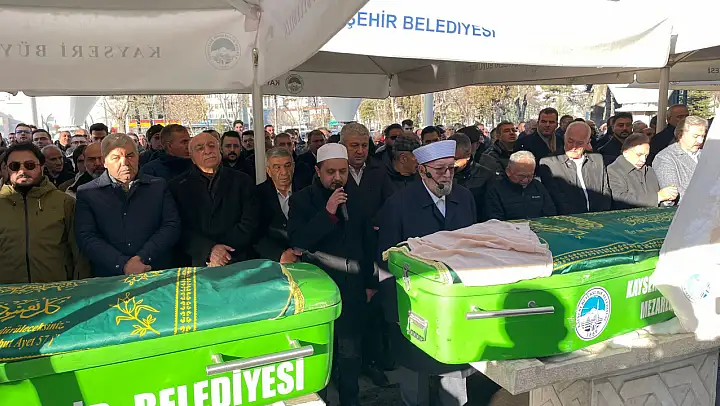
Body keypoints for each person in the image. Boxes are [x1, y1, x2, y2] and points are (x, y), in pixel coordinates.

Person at [377, 140, 477, 406]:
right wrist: (394, 312)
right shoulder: (398, 204)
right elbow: (385, 261)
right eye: (440, 170)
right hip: (414, 303)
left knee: (454, 380)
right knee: (415, 380)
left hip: (454, 301)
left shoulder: (464, 198)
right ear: (422, 171)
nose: (447, 176)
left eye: (451, 169)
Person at [288, 143, 377, 406]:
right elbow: (298, 242)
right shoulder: (301, 200)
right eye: (331, 172)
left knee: (350, 354)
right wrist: (327, 213)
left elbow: (369, 242)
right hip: (319, 290)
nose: (337, 178)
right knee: (321, 354)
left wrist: (371, 282)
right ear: (318, 171)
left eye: (342, 171)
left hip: (353, 288)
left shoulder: (357, 197)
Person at [75, 133, 180, 277]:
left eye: (130, 155)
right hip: (110, 276)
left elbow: (171, 226)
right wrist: (122, 264)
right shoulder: (87, 193)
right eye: (116, 157)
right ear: (104, 162)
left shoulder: (158, 186)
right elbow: (87, 237)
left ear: (138, 157)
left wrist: (142, 258)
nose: (124, 162)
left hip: (155, 270)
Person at [170, 131, 259, 267]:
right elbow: (179, 228)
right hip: (197, 261)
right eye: (200, 148)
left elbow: (250, 222)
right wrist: (209, 250)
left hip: (239, 257)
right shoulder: (177, 186)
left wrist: (221, 251)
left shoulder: (243, 181)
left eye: (211, 146)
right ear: (191, 157)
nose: (207, 151)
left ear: (219, 150)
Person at [0, 142, 85, 283]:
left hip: (56, 289)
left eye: (29, 165)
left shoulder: (64, 202)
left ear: (42, 167)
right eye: (15, 166)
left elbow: (79, 253)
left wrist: (80, 286)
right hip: (8, 291)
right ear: (6, 169)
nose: (22, 171)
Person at [537, 122, 611, 215]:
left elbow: (605, 191)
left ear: (588, 142)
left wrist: (601, 215)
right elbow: (557, 198)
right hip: (568, 218)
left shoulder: (597, 160)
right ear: (564, 137)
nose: (574, 147)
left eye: (580, 143)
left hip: (599, 217)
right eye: (570, 141)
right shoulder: (549, 163)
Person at [254, 147, 301, 262]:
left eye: (287, 166)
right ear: (268, 171)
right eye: (277, 167)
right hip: (273, 260)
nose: (284, 172)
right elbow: (255, 233)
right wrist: (279, 254)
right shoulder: (257, 195)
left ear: (293, 167)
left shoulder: (306, 190)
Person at [607, 134, 678, 209]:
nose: (643, 160)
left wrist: (667, 198)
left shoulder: (649, 170)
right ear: (625, 152)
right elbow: (619, 198)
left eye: (646, 156)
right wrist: (658, 197)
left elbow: (659, 199)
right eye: (639, 155)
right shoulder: (613, 170)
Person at [485, 151, 557, 220]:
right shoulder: (496, 189)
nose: (525, 180)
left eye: (530, 176)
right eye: (521, 176)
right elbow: (495, 219)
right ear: (508, 171)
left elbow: (550, 213)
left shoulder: (538, 186)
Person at [653, 116, 708, 203]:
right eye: (696, 136)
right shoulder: (665, 157)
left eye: (703, 136)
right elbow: (673, 194)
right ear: (680, 135)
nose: (700, 141)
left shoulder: (706, 154)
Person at [450, 133, 495, 220]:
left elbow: (490, 210)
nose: (451, 164)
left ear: (468, 155)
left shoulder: (486, 176)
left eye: (455, 159)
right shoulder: (441, 173)